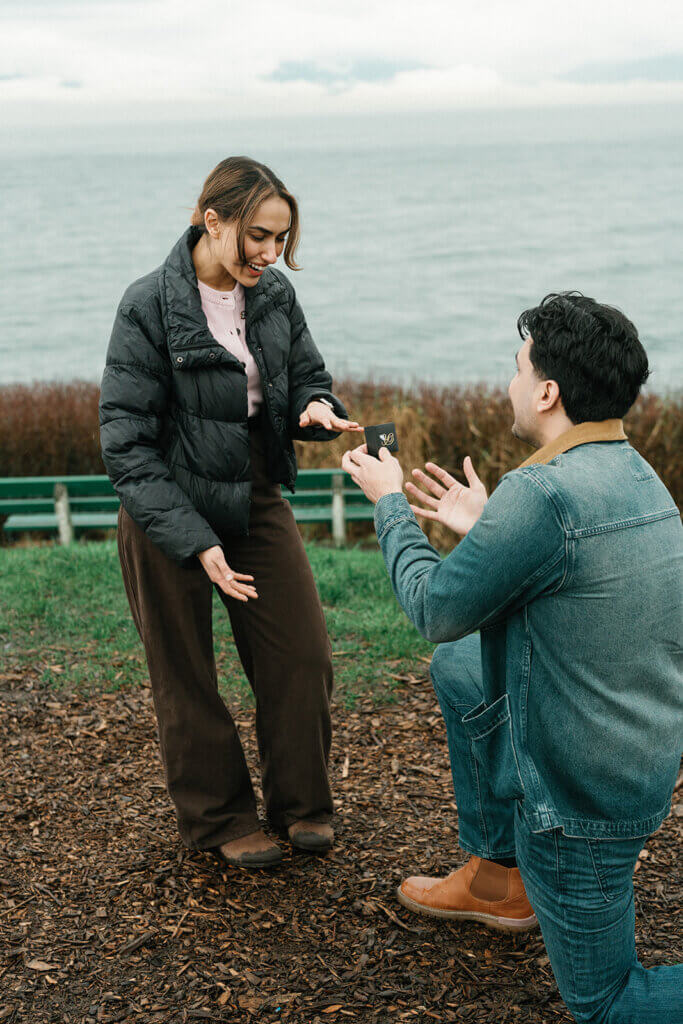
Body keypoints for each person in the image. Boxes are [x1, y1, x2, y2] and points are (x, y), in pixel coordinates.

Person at [342, 292, 683, 1023]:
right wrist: (484, 528)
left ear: (547, 391)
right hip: (638, 757)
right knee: (464, 667)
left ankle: (526, 869)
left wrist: (388, 502)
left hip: (578, 806)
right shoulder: (633, 473)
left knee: (608, 1003)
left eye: (514, 367)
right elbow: (566, 579)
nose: (508, 383)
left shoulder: (540, 494)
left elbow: (434, 609)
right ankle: (496, 873)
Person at [99, 156, 363, 868]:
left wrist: (314, 410)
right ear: (210, 219)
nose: (269, 254)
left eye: (280, 240)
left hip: (252, 493)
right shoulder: (147, 303)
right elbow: (124, 444)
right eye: (257, 236)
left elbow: (307, 376)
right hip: (166, 503)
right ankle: (219, 819)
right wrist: (193, 540)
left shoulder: (272, 297)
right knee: (185, 674)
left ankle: (301, 806)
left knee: (301, 655)